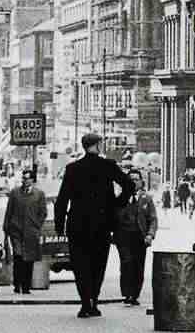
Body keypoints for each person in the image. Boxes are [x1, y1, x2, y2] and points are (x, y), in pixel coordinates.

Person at [54, 132, 135, 319]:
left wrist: (60, 224)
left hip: (78, 224)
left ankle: (85, 303)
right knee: (98, 264)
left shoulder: (73, 168)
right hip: (102, 223)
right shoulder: (108, 166)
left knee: (80, 264)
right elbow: (129, 185)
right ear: (98, 146)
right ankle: (94, 301)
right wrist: (116, 204)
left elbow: (62, 199)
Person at [115, 169, 157, 307]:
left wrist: (150, 235)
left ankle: (135, 294)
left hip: (140, 238)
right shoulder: (119, 198)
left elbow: (153, 219)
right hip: (123, 237)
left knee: (138, 266)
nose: (134, 182)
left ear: (141, 182)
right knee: (126, 262)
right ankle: (127, 293)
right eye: (131, 179)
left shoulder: (147, 199)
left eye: (136, 179)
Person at [3, 168, 48, 294]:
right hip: (16, 230)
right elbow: (9, 211)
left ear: (32, 180)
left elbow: (43, 212)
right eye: (23, 178)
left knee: (29, 259)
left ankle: (26, 286)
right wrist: (6, 228)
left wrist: (36, 226)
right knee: (18, 257)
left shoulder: (39, 194)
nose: (24, 180)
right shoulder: (15, 193)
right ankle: (17, 285)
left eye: (27, 178)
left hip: (31, 232)